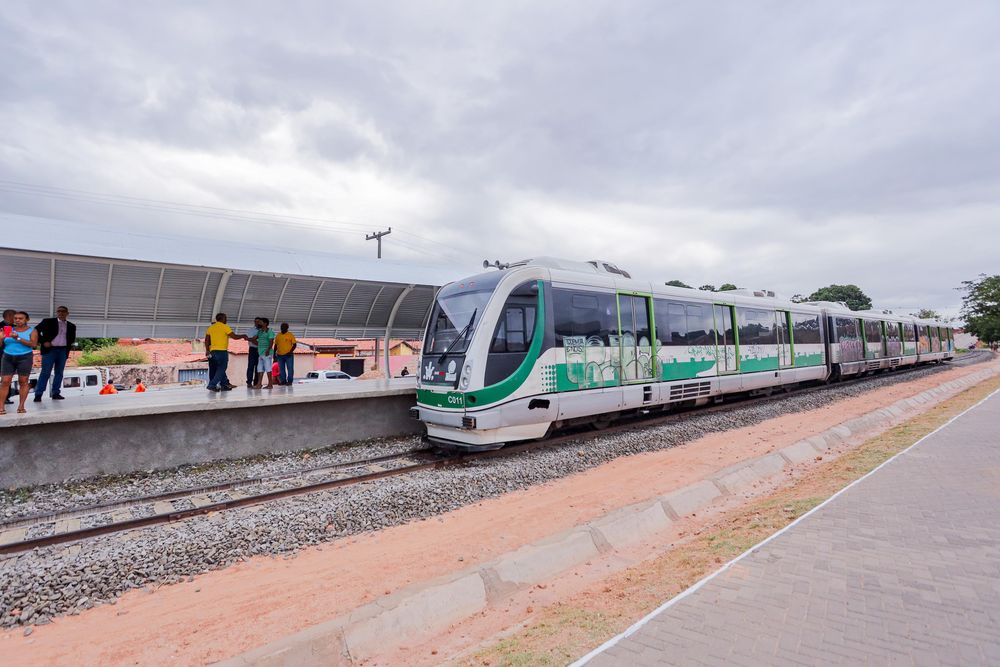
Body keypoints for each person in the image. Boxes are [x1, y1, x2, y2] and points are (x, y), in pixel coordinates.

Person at [33, 305, 77, 403]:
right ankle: (38, 394)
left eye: (63, 311)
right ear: (56, 313)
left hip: (63, 350)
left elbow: (72, 339)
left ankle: (56, 393)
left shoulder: (71, 326)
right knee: (45, 372)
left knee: (59, 373)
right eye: (59, 311)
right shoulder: (48, 321)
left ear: (67, 313)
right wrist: (43, 341)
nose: (61, 313)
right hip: (50, 350)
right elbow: (35, 330)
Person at [0, 311, 39, 414]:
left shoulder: (32, 331)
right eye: (16, 318)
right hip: (7, 356)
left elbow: (33, 344)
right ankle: (1, 407)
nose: (17, 320)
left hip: (25, 357)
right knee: (5, 381)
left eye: (20, 318)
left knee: (23, 381)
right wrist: (1, 338)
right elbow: (1, 345)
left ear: (27, 320)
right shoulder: (8, 329)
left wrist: (17, 337)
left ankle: (21, 406)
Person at [204, 313, 246, 392]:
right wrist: (243, 336)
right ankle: (212, 385)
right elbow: (234, 336)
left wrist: (207, 350)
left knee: (216, 368)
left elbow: (206, 340)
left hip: (212, 352)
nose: (226, 320)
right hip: (222, 351)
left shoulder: (211, 328)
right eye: (225, 318)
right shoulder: (225, 327)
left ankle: (224, 385)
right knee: (222, 369)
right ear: (222, 318)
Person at [247, 318, 276, 389]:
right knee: (260, 369)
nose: (259, 323)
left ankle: (270, 384)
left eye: (260, 322)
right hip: (260, 353)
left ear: (265, 323)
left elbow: (271, 342)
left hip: (267, 353)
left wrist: (268, 350)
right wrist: (246, 338)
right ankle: (259, 384)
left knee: (268, 369)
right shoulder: (259, 331)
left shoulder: (270, 331)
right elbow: (254, 338)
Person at [1, 309, 15, 405]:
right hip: (2, 354)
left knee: (7, 377)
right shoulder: (2, 327)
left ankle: (6, 397)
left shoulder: (15, 327)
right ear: (8, 316)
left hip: (12, 355)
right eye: (14, 316)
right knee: (5, 377)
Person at [245, 318, 262, 387]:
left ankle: (256, 383)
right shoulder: (251, 330)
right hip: (253, 349)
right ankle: (249, 382)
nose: (257, 323)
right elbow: (251, 340)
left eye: (258, 321)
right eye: (256, 321)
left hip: (261, 350)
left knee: (259, 367)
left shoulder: (263, 330)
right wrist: (261, 345)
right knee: (251, 366)